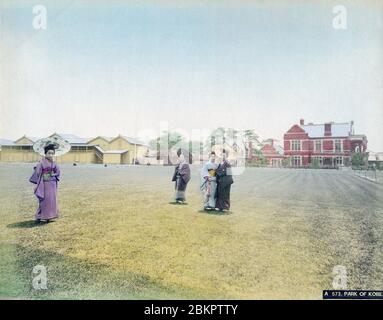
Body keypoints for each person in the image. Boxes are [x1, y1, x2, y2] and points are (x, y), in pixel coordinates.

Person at [29, 144, 60, 223]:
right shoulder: (42, 162)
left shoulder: (54, 163)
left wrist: (54, 174)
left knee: (51, 200)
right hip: (44, 183)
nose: (51, 155)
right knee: (44, 200)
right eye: (49, 153)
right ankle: (40, 216)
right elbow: (38, 171)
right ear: (45, 153)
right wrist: (37, 170)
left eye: (52, 153)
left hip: (52, 183)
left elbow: (58, 171)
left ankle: (50, 216)